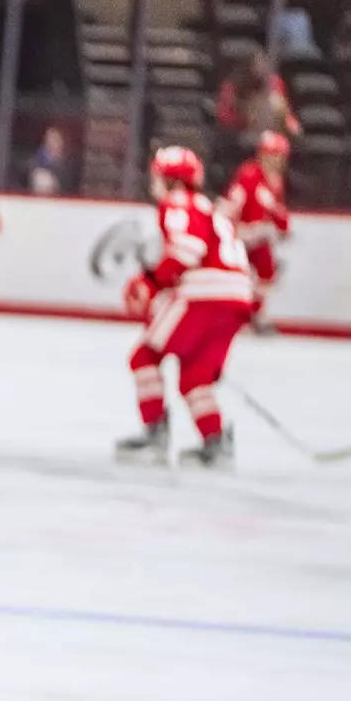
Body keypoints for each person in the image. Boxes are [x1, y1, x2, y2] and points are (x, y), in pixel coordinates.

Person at [115, 146, 253, 469]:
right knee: (195, 377)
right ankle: (215, 442)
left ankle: (154, 436)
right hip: (236, 300)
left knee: (144, 357)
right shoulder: (212, 208)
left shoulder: (177, 202)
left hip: (204, 295)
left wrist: (150, 281)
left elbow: (187, 250)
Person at [219, 130, 289, 329]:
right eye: (273, 155)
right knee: (237, 274)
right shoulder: (249, 174)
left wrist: (280, 221)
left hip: (258, 235)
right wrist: (230, 228)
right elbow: (235, 201)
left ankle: (255, 311)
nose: (277, 160)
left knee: (266, 272)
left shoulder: (275, 180)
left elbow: (277, 211)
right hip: (242, 233)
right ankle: (234, 312)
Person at [216, 52, 300, 140]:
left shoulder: (273, 81)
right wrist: (243, 119)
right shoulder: (232, 84)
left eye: (263, 63)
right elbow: (224, 114)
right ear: (249, 66)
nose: (260, 67)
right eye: (257, 64)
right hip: (242, 131)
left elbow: (283, 109)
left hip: (274, 130)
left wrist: (291, 123)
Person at [26, 125, 69, 195]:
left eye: (57, 139)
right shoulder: (35, 163)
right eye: (51, 138)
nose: (54, 142)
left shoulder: (68, 165)